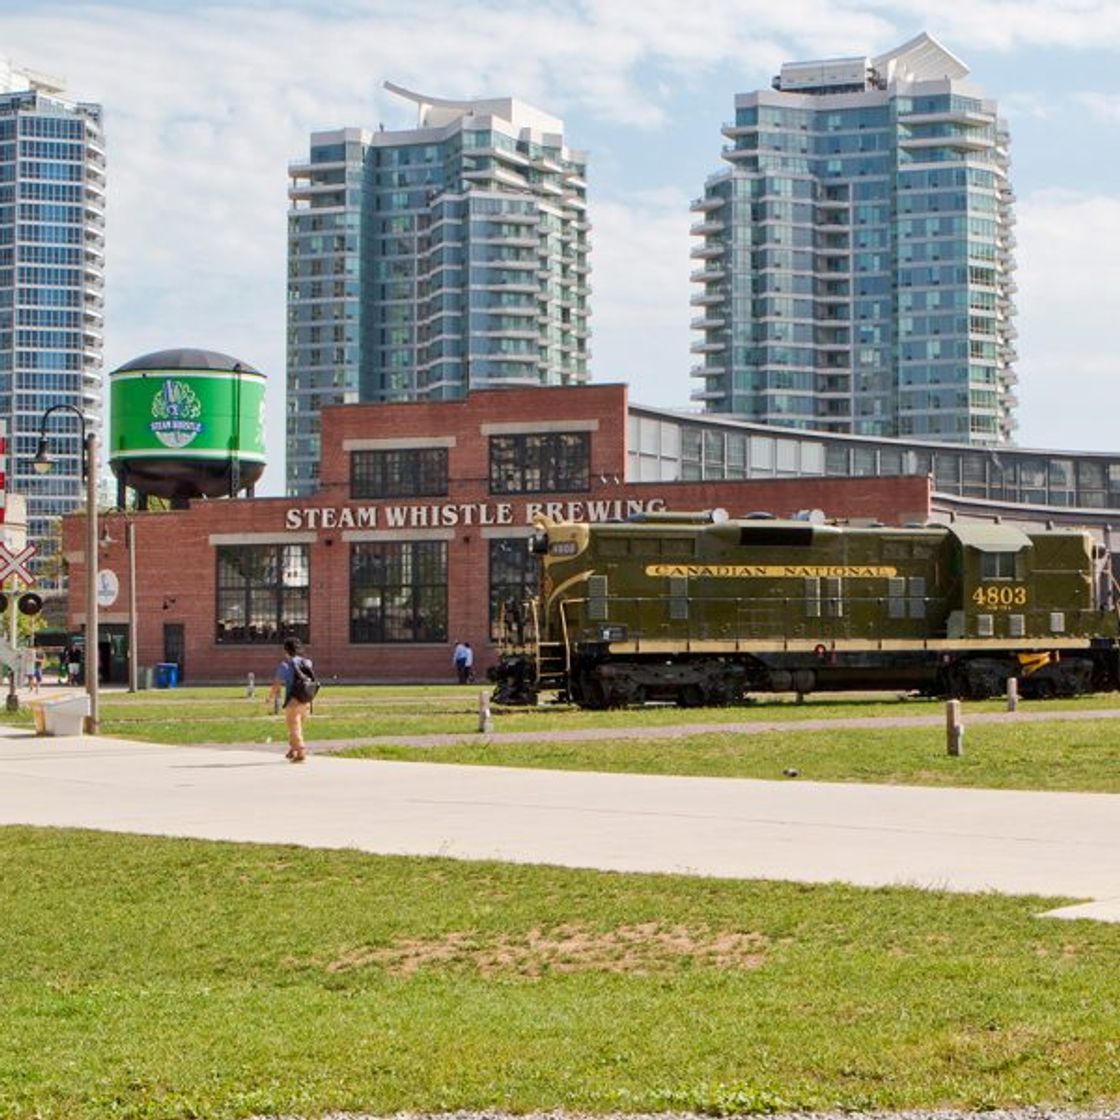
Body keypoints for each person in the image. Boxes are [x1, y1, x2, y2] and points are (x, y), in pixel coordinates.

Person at [268, 637, 314, 763]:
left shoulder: (285, 665)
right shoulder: (308, 662)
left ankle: (301, 752)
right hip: (306, 699)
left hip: (293, 701)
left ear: (285, 650)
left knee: (294, 727)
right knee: (297, 727)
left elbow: (277, 684)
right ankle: (293, 749)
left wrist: (270, 697)